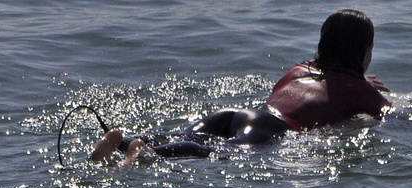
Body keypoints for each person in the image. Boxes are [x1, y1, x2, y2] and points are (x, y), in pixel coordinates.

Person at [91, 9, 392, 165]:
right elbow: (391, 116)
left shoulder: (301, 69)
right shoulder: (361, 91)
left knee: (188, 134)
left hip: (240, 114)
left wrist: (358, 84)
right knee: (211, 154)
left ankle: (121, 140)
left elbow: (331, 85)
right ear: (363, 53)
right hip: (272, 129)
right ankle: (146, 154)